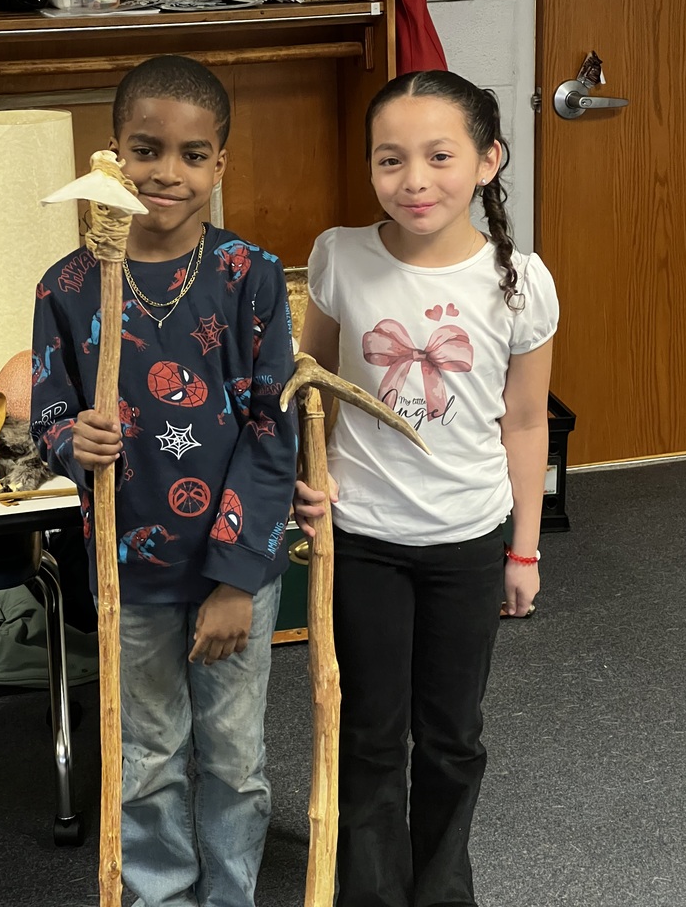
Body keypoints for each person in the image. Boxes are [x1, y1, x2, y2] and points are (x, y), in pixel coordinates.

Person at [30, 55, 297, 907]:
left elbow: (271, 429)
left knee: (234, 756)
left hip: (234, 572)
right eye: (146, 150)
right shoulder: (69, 287)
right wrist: (79, 438)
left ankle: (229, 895)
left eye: (192, 155)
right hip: (129, 569)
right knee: (144, 754)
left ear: (220, 163)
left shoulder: (249, 274)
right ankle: (161, 897)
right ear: (112, 153)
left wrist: (231, 579)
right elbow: (47, 415)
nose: (166, 173)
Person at [294, 69, 559, 907]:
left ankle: (443, 890)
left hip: (469, 540)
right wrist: (312, 484)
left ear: (488, 161)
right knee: (369, 733)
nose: (413, 180)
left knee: (451, 736)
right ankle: (371, 891)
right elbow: (314, 391)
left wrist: (525, 549)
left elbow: (524, 422)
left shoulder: (519, 281)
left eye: (440, 156)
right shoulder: (340, 254)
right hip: (364, 536)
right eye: (390, 159)